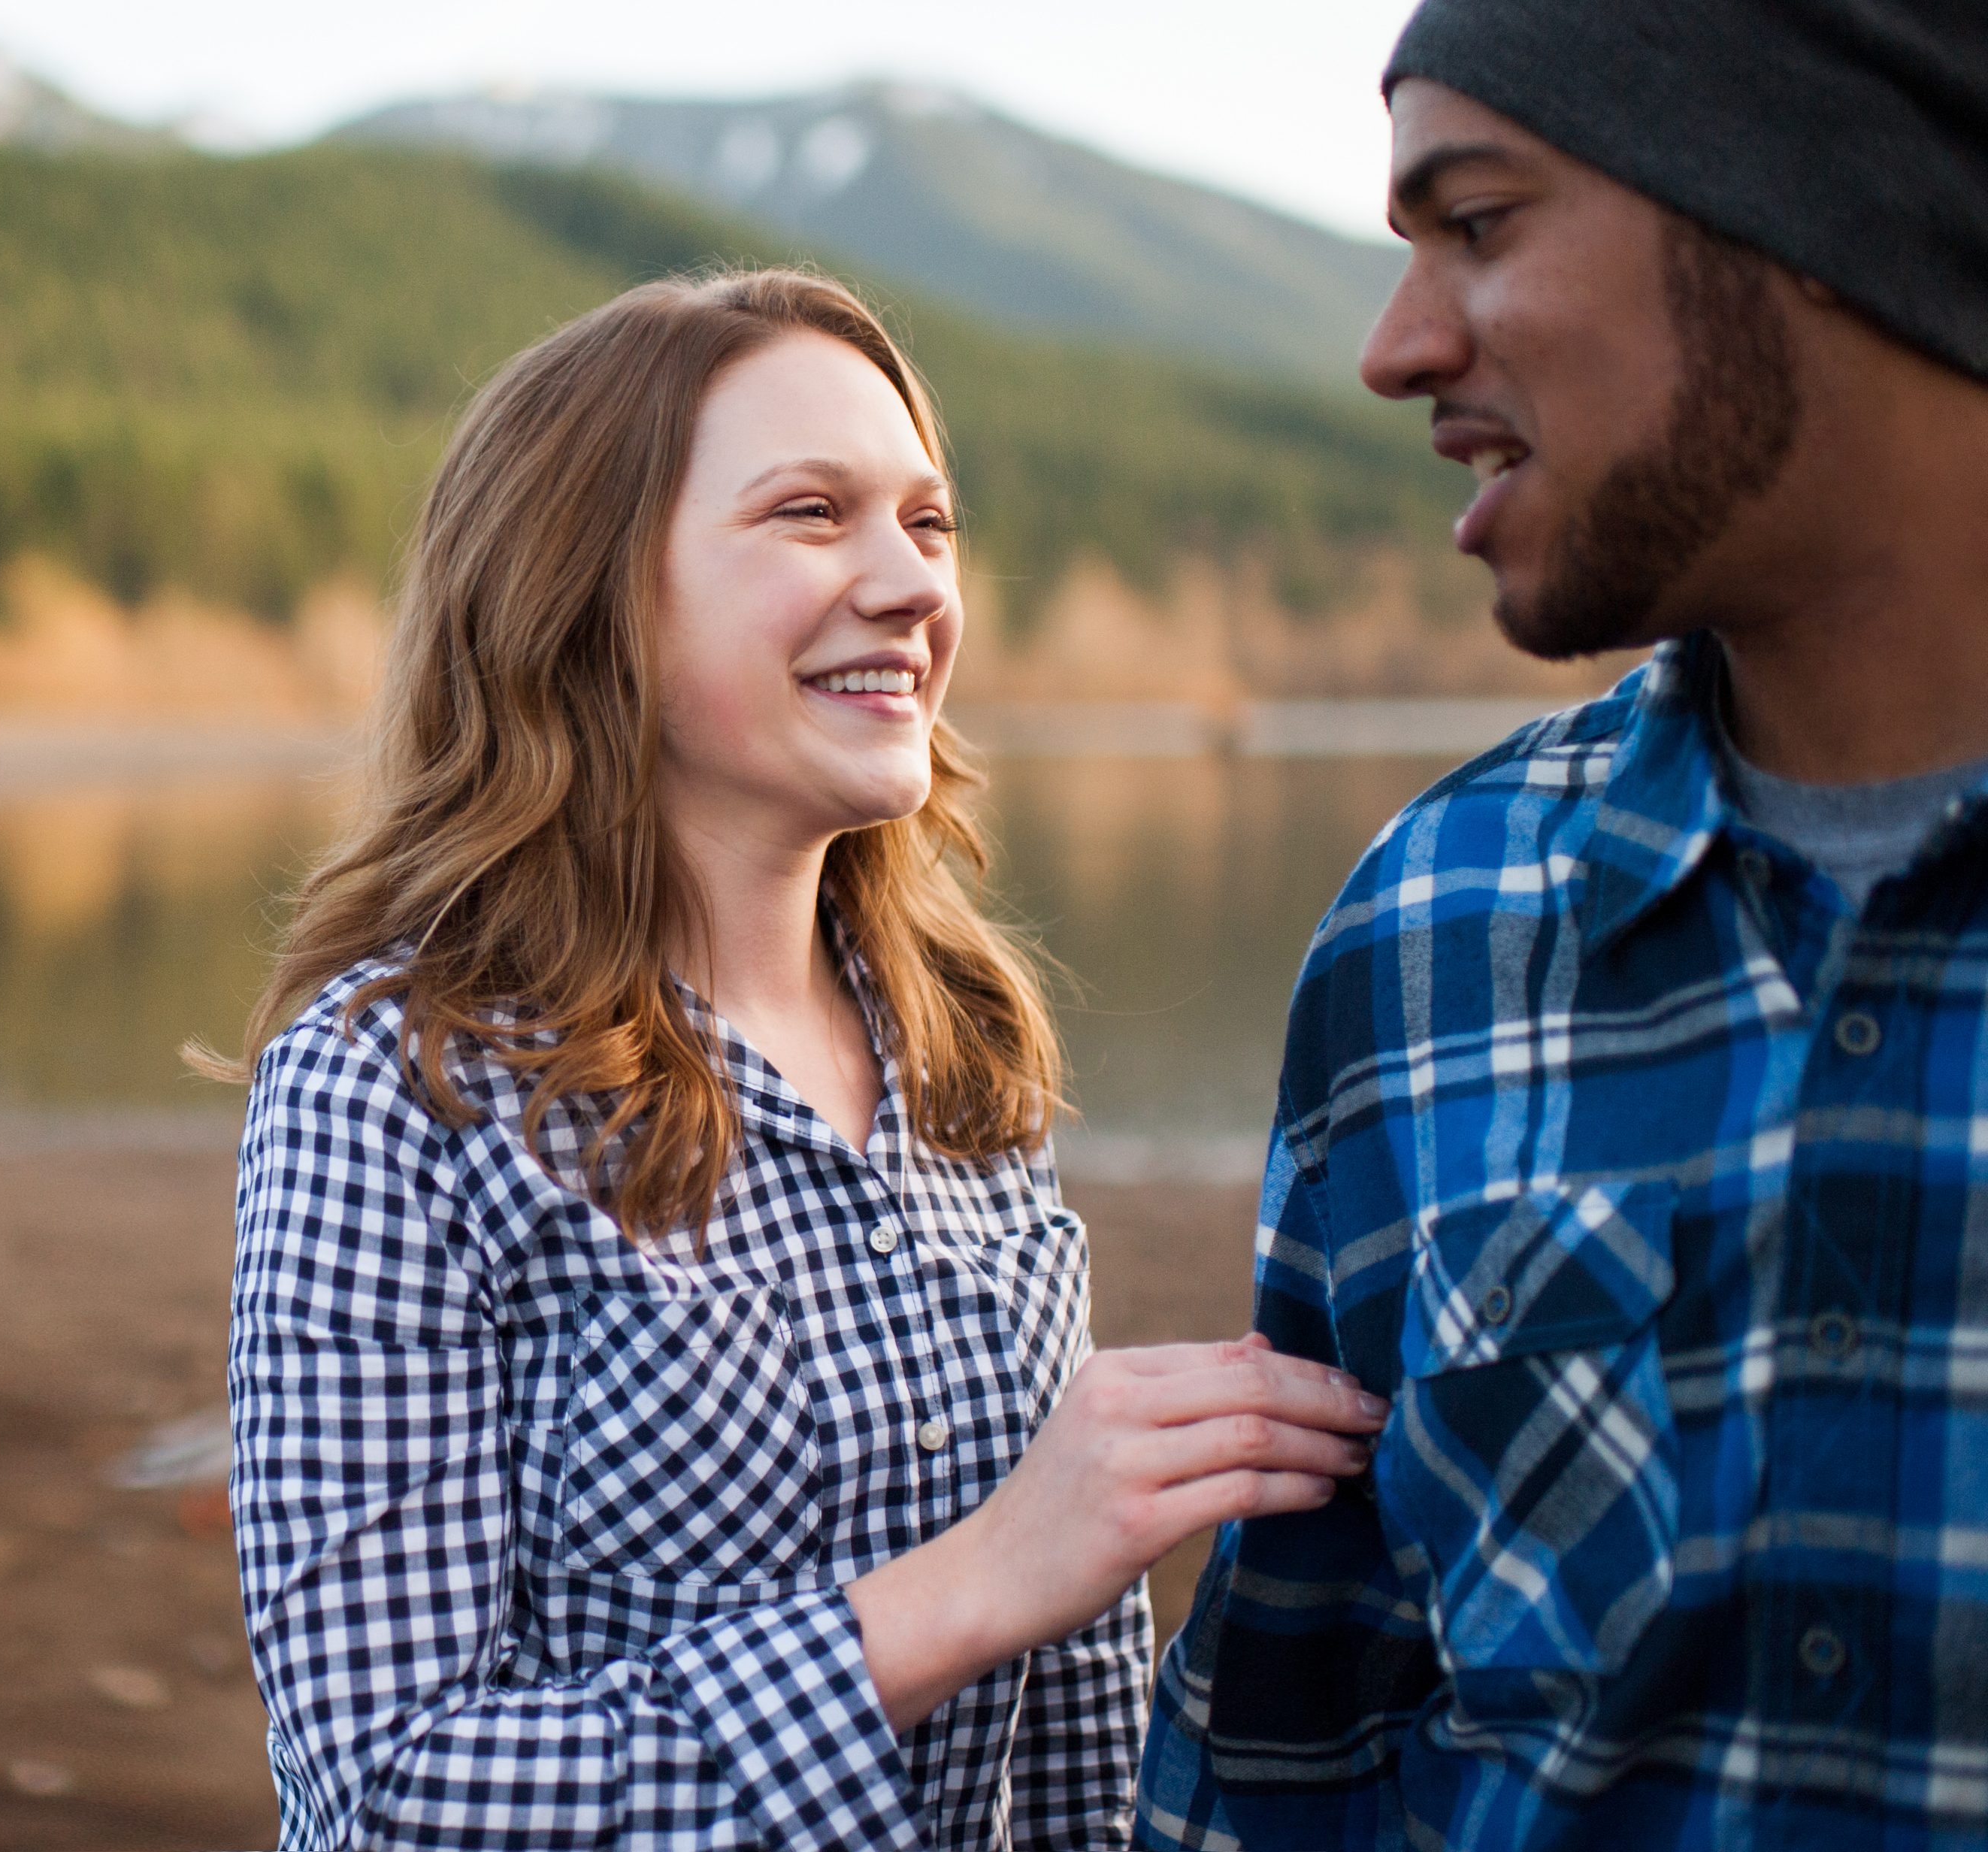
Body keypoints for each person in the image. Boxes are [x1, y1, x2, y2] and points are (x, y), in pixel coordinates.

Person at [207, 268, 1389, 1850]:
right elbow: (394, 1796)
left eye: (930, 523)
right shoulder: (395, 1086)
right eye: (814, 514)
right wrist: (962, 1588)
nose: (911, 587)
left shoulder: (958, 1042)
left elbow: (1073, 1693)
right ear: (587, 593)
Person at [1138, 0, 1988, 1850]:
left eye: (1481, 222)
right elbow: (1290, 1749)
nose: (1395, 345)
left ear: (1819, 207)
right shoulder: (1425, 933)